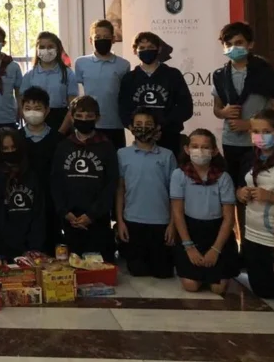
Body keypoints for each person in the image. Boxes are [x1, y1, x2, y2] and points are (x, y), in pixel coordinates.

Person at [212, 21, 274, 243]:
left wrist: (250, 125)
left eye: (239, 43)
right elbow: (217, 109)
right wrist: (224, 112)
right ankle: (242, 242)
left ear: (250, 44)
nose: (234, 47)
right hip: (231, 142)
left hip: (259, 143)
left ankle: (268, 241)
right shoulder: (219, 74)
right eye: (229, 44)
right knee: (238, 193)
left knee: (261, 191)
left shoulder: (263, 72)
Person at [238, 109, 274, 305]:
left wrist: (271, 196)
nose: (260, 136)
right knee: (262, 292)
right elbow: (240, 185)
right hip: (253, 235)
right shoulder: (249, 157)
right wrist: (241, 193)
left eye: (266, 131)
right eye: (255, 131)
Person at [170, 129, 239, 294]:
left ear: (214, 151)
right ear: (187, 149)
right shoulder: (179, 175)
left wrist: (215, 250)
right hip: (190, 232)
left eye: (205, 147)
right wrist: (189, 247)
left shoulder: (224, 178)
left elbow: (229, 218)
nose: (199, 151)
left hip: (217, 233)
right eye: (195, 146)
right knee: (191, 286)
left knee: (218, 288)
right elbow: (178, 213)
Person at [52, 96, 119, 262]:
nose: (84, 120)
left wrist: (92, 214)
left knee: (101, 266)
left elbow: (111, 183)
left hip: (97, 218)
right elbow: (55, 181)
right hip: (70, 218)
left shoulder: (106, 146)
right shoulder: (63, 146)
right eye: (79, 117)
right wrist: (65, 211)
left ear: (97, 118)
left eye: (89, 117)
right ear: (72, 117)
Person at [115, 107, 177, 279]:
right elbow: (120, 190)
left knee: (163, 273)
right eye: (138, 124)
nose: (143, 128)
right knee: (138, 271)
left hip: (161, 222)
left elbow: (175, 194)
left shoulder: (167, 156)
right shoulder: (122, 154)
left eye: (148, 124)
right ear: (131, 127)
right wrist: (120, 222)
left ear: (157, 127)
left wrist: (173, 225)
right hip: (133, 221)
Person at [119, 32, 193, 156]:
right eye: (142, 48)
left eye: (150, 47)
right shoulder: (129, 78)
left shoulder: (173, 75)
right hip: (141, 138)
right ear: (134, 51)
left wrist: (160, 126)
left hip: (169, 136)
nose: (146, 50)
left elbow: (186, 108)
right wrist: (134, 127)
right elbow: (123, 108)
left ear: (159, 49)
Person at [0, 129, 46, 261]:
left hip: (33, 245)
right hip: (4, 246)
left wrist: (34, 245)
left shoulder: (32, 175)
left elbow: (39, 212)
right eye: (5, 148)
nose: (10, 152)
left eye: (13, 147)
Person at [74, 20, 131, 150]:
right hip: (88, 122)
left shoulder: (124, 64)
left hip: (114, 124)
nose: (102, 40)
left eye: (106, 37)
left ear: (113, 39)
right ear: (90, 40)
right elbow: (77, 93)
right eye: (97, 37)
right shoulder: (81, 63)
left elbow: (125, 95)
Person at [19, 86, 64, 248]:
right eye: (28, 108)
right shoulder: (17, 138)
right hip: (24, 198)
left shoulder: (58, 140)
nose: (32, 112)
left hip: (51, 198)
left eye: (37, 108)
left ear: (47, 111)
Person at [19, 32, 77, 134]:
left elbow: (73, 105)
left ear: (57, 49)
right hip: (35, 118)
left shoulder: (67, 73)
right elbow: (22, 103)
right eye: (42, 47)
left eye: (50, 46)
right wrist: (30, 124)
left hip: (60, 120)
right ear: (37, 50)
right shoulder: (30, 75)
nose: (46, 50)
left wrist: (61, 131)